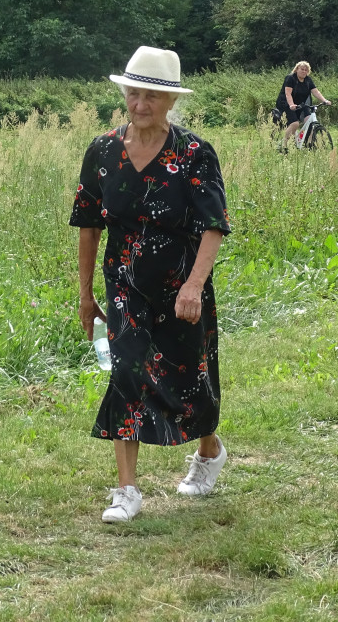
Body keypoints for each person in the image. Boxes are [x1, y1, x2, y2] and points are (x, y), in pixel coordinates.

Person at [70, 46, 231, 524]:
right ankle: (126, 491)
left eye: (151, 96)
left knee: (189, 380)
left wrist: (194, 286)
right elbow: (88, 224)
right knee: (125, 374)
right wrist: (85, 294)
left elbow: (213, 224)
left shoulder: (195, 153)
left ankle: (208, 451)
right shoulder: (102, 151)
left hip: (181, 286)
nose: (140, 104)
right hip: (123, 285)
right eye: (133, 93)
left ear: (170, 101)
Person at [274, 61, 331, 152]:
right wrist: (291, 105)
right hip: (286, 103)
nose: (304, 71)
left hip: (301, 104)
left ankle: (309, 144)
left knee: (310, 121)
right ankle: (283, 145)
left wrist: (324, 100)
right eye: (302, 69)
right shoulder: (290, 78)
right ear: (297, 69)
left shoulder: (308, 80)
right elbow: (288, 94)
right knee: (295, 123)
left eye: (306, 70)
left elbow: (316, 92)